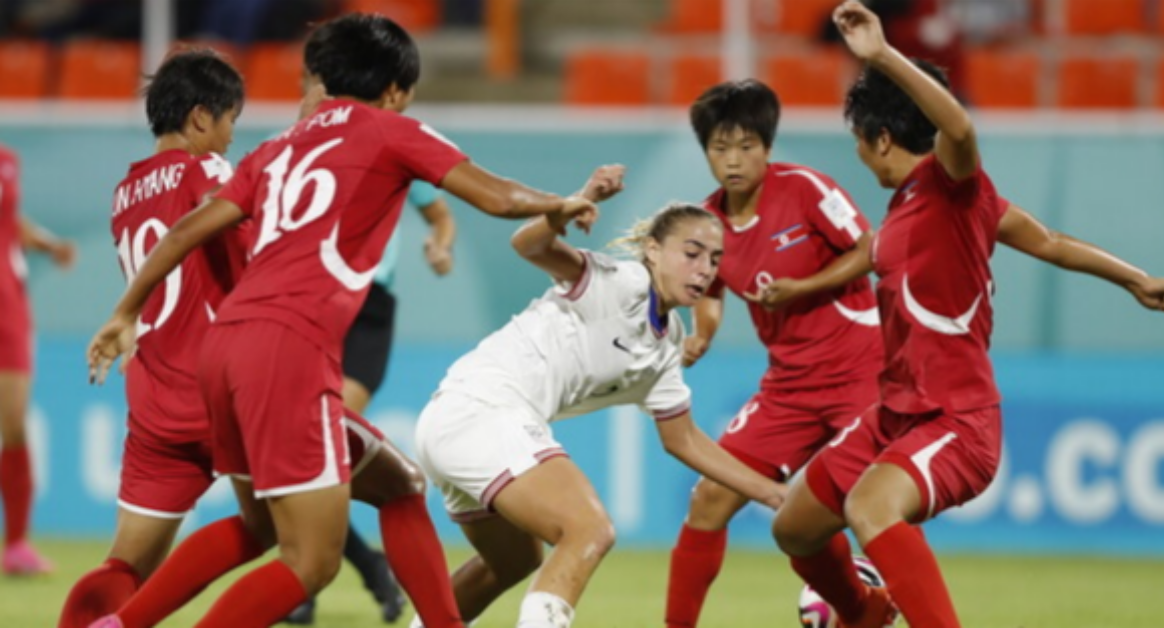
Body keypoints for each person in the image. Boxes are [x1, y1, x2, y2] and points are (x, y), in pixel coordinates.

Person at [85, 12, 601, 628]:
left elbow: (188, 228)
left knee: (373, 490)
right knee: (311, 563)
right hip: (288, 349)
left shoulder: (276, 148)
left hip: (225, 352)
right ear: (396, 90)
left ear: (323, 77)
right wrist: (563, 200)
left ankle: (120, 623)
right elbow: (496, 197)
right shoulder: (389, 130)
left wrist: (124, 312)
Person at [770, 4, 1164, 628]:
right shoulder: (905, 214)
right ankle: (864, 612)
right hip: (895, 413)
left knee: (871, 508)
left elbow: (959, 129)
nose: (856, 154)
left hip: (956, 420)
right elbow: (1047, 240)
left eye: (859, 139)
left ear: (882, 138)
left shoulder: (952, 186)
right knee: (795, 527)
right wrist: (1135, 279)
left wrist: (880, 55)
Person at [409, 193, 789, 628]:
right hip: (481, 409)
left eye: (715, 259)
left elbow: (682, 439)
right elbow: (528, 245)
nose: (704, 269)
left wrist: (773, 493)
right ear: (652, 250)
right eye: (691, 253)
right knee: (587, 529)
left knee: (512, 561)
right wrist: (570, 207)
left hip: (456, 422)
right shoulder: (624, 282)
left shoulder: (667, 343)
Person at [662, 79, 882, 628]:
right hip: (788, 388)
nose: (733, 161)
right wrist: (703, 334)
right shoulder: (706, 224)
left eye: (746, 146)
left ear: (767, 146)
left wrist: (802, 288)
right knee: (709, 499)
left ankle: (881, 605)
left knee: (877, 505)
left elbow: (870, 249)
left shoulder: (806, 190)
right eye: (719, 148)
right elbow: (709, 294)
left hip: (863, 373)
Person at [57, 48, 248, 628]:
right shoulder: (209, 172)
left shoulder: (125, 192)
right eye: (229, 121)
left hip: (155, 396)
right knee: (297, 533)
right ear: (199, 118)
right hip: (221, 387)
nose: (230, 137)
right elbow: (250, 258)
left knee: (125, 565)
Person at [284, 180, 456, 626]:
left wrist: (441, 247)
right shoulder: (297, 153)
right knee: (302, 455)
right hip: (310, 297)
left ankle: (326, 578)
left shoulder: (394, 149)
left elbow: (441, 216)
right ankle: (360, 569)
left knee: (320, 449)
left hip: (368, 307)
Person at [0, 143, 76, 576]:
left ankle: (16, 546)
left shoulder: (8, 160)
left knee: (12, 422)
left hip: (8, 307)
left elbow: (9, 220)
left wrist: (46, 243)